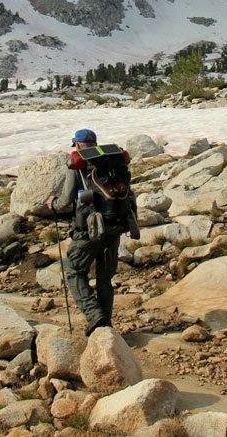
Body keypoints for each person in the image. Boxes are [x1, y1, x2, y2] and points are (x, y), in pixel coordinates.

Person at [46, 128, 134, 336]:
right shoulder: (112, 161)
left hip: (88, 227)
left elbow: (66, 200)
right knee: (105, 277)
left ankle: (95, 315)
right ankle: (106, 324)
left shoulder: (78, 164)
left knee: (75, 271)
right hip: (114, 224)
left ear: (77, 145)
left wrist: (53, 204)